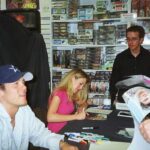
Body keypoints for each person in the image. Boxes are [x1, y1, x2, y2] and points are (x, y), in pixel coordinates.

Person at [0, 64, 78, 150]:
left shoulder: (24, 110)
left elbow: (40, 134)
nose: (25, 87)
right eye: (16, 83)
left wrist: (62, 145)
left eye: (23, 82)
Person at [109, 25, 150, 104]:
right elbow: (113, 81)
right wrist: (112, 100)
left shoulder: (148, 57)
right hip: (124, 101)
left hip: (145, 101)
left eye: (134, 39)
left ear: (141, 40)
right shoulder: (120, 58)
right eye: (128, 39)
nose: (130, 42)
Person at [47, 68, 90, 133]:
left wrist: (81, 110)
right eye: (80, 84)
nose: (81, 88)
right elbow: (50, 117)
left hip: (66, 128)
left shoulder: (70, 93)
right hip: (56, 132)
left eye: (83, 86)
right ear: (72, 78)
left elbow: (83, 103)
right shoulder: (60, 92)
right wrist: (76, 116)